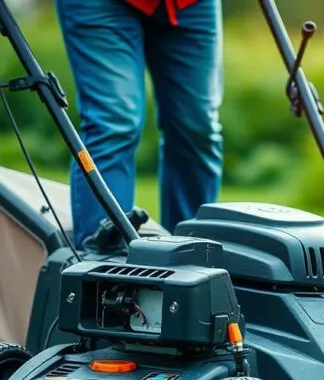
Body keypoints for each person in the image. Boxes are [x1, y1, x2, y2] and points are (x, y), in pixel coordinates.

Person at [54, 0, 223, 248]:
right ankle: (102, 263)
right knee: (114, 122)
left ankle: (192, 253)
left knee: (197, 126)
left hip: (190, 5)